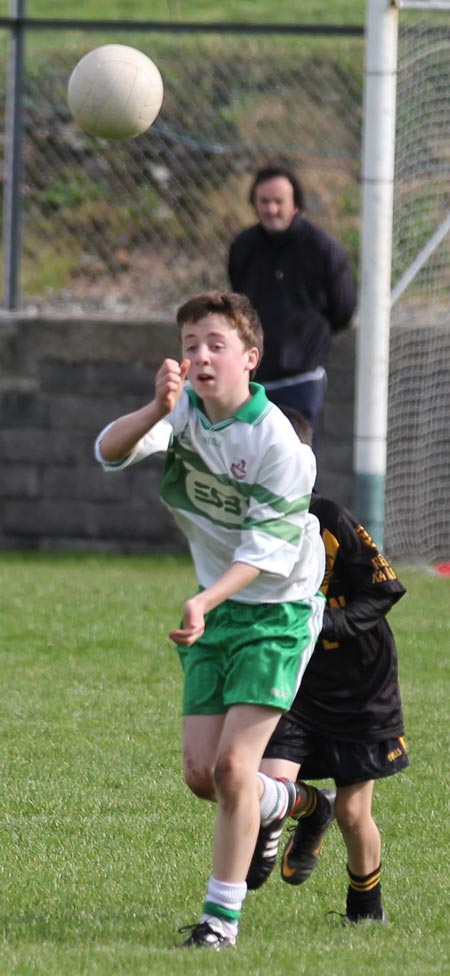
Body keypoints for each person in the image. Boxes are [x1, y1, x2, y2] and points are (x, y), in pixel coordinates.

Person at [94, 292, 325, 950]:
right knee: (204, 776)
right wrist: (155, 410)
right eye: (190, 343)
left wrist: (203, 601)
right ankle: (299, 803)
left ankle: (219, 923)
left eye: (214, 344)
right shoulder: (184, 412)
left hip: (275, 610)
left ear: (250, 359)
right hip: (216, 608)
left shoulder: (279, 441)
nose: (199, 356)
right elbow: (109, 452)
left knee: (231, 769)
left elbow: (263, 553)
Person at [247, 408, 409, 925]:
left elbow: (385, 591)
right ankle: (307, 809)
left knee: (353, 812)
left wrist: (323, 624)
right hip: (296, 682)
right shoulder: (248, 525)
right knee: (265, 785)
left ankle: (366, 910)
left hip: (361, 689)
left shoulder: (330, 520)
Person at [228, 164, 357, 443]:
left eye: (279, 202)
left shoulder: (322, 249)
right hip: (252, 380)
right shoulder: (243, 247)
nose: (271, 209)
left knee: (296, 460)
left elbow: (344, 308)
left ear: (295, 204)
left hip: (300, 381)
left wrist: (305, 341)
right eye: (264, 201)